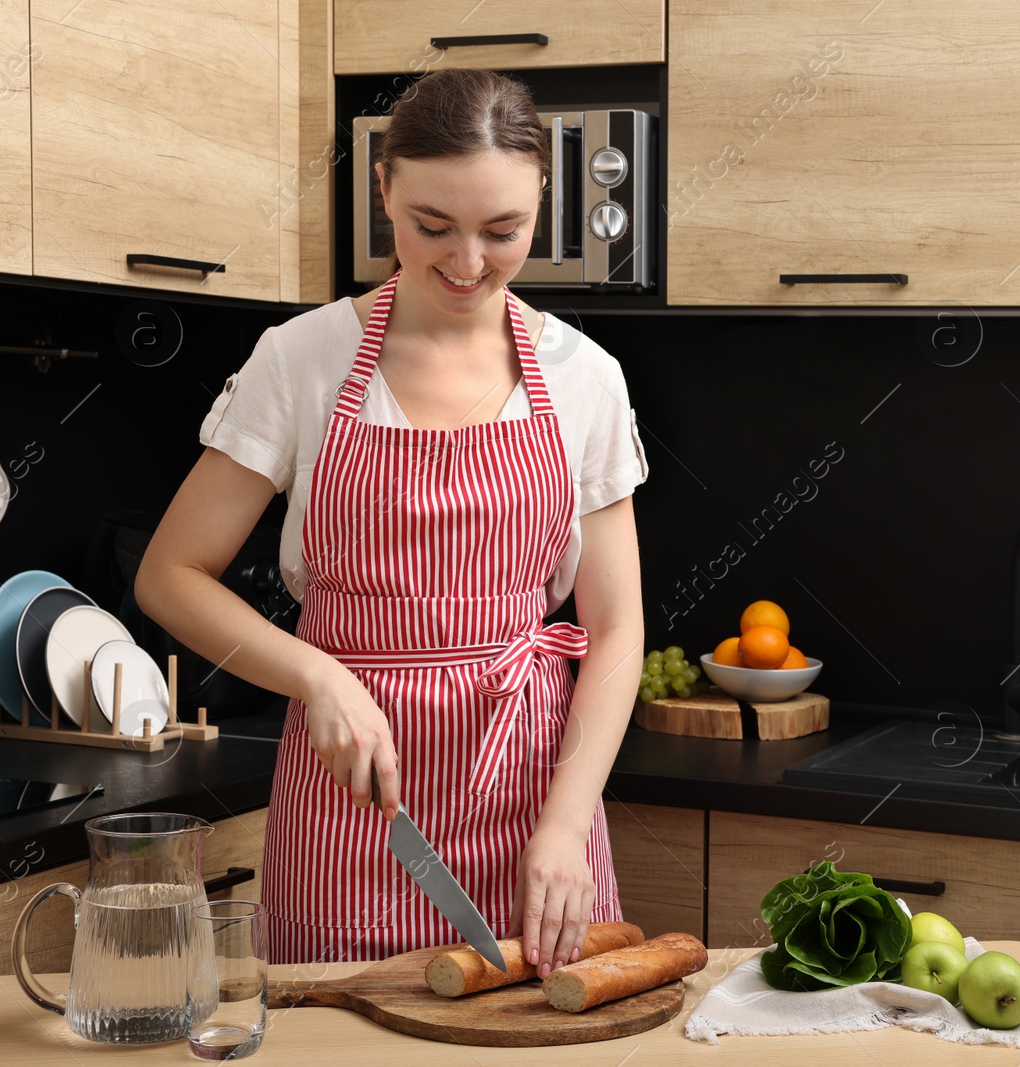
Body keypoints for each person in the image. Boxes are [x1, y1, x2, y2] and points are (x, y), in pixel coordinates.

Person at [136, 68, 647, 975]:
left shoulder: (585, 378)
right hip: (348, 811)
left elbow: (614, 630)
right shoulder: (304, 359)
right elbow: (170, 573)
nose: (466, 262)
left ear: (543, 199)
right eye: (430, 226)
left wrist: (568, 822)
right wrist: (317, 676)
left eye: (504, 231)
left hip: (533, 809)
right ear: (383, 187)